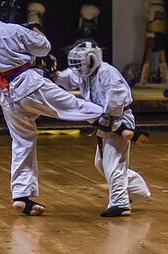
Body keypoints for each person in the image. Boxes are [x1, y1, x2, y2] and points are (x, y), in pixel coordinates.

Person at [0, 0, 105, 215]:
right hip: (27, 84)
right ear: (4, 9)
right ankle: (112, 121)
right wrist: (33, 27)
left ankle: (22, 196)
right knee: (70, 105)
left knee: (23, 141)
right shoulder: (14, 29)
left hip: (6, 93)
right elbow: (43, 46)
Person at [53, 40, 152, 217]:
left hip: (118, 117)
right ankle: (136, 190)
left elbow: (117, 96)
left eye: (81, 64)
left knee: (113, 162)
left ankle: (121, 204)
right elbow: (67, 78)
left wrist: (108, 120)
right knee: (101, 162)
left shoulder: (107, 72)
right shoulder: (84, 73)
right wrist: (54, 75)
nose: (78, 69)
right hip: (103, 119)